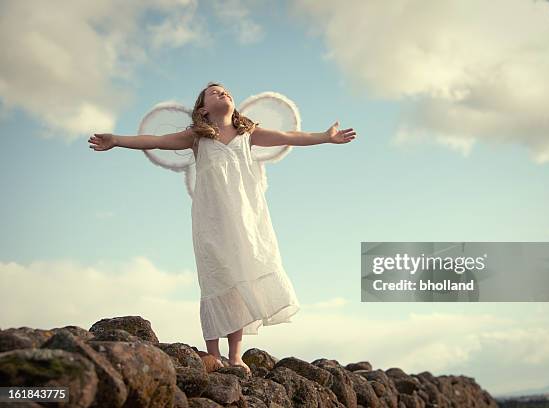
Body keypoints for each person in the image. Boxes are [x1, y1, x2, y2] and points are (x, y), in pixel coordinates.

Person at [88, 82, 357, 374]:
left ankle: (235, 355)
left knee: (242, 275)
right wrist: (115, 139)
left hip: (247, 219)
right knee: (217, 277)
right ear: (202, 109)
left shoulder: (248, 133)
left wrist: (326, 137)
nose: (223, 93)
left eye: (226, 90)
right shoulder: (197, 138)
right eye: (214, 92)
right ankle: (212, 353)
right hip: (211, 220)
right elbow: (155, 140)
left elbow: (290, 136)